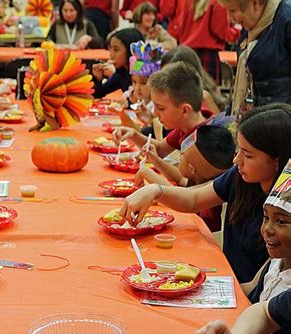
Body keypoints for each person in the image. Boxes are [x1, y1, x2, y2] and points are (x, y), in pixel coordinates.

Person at [120, 104, 291, 282]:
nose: (236, 160)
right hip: (226, 276)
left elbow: (260, 287)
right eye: (238, 150)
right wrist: (155, 190)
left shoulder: (285, 206)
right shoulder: (240, 177)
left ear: (278, 160)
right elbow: (193, 199)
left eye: (248, 155)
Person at [216, 0, 291, 111]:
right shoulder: (253, 24)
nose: (231, 18)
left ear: (255, 2)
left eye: (233, 10)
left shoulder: (287, 21)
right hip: (260, 123)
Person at [135, 124, 236, 232]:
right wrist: (156, 160)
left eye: (182, 154)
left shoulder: (210, 199)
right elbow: (180, 179)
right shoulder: (202, 179)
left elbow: (182, 197)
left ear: (191, 168)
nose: (179, 156)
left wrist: (147, 174)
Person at [114, 61, 215, 158]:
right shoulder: (185, 125)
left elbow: (181, 176)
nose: (155, 113)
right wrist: (133, 134)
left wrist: (153, 167)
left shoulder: (206, 140)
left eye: (160, 108)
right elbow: (160, 149)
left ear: (185, 110)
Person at [176, 0, 240, 83]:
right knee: (206, 95)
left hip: (186, 52)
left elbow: (180, 24)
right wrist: (236, 32)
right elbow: (219, 30)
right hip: (207, 53)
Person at [243, 160, 291, 303]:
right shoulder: (275, 262)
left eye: (281, 221)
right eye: (265, 217)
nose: (267, 229)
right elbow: (250, 288)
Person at [161, 45, 224, 114]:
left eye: (171, 76)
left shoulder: (204, 97)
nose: (165, 80)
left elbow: (218, 122)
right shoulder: (164, 92)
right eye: (164, 74)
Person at [91, 28, 142, 99]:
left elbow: (138, 100)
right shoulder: (121, 72)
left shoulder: (144, 74)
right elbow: (97, 93)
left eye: (116, 50)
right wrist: (98, 78)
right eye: (110, 49)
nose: (111, 55)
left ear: (131, 51)